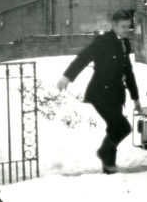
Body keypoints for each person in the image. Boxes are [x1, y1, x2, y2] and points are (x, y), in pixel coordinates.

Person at [57, 9, 141, 174]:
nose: (126, 30)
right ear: (114, 26)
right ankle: (104, 152)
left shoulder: (125, 44)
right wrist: (67, 77)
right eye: (123, 26)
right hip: (100, 94)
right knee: (122, 127)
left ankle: (109, 165)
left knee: (113, 128)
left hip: (116, 94)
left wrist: (136, 98)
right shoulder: (102, 42)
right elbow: (83, 58)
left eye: (128, 27)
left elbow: (128, 72)